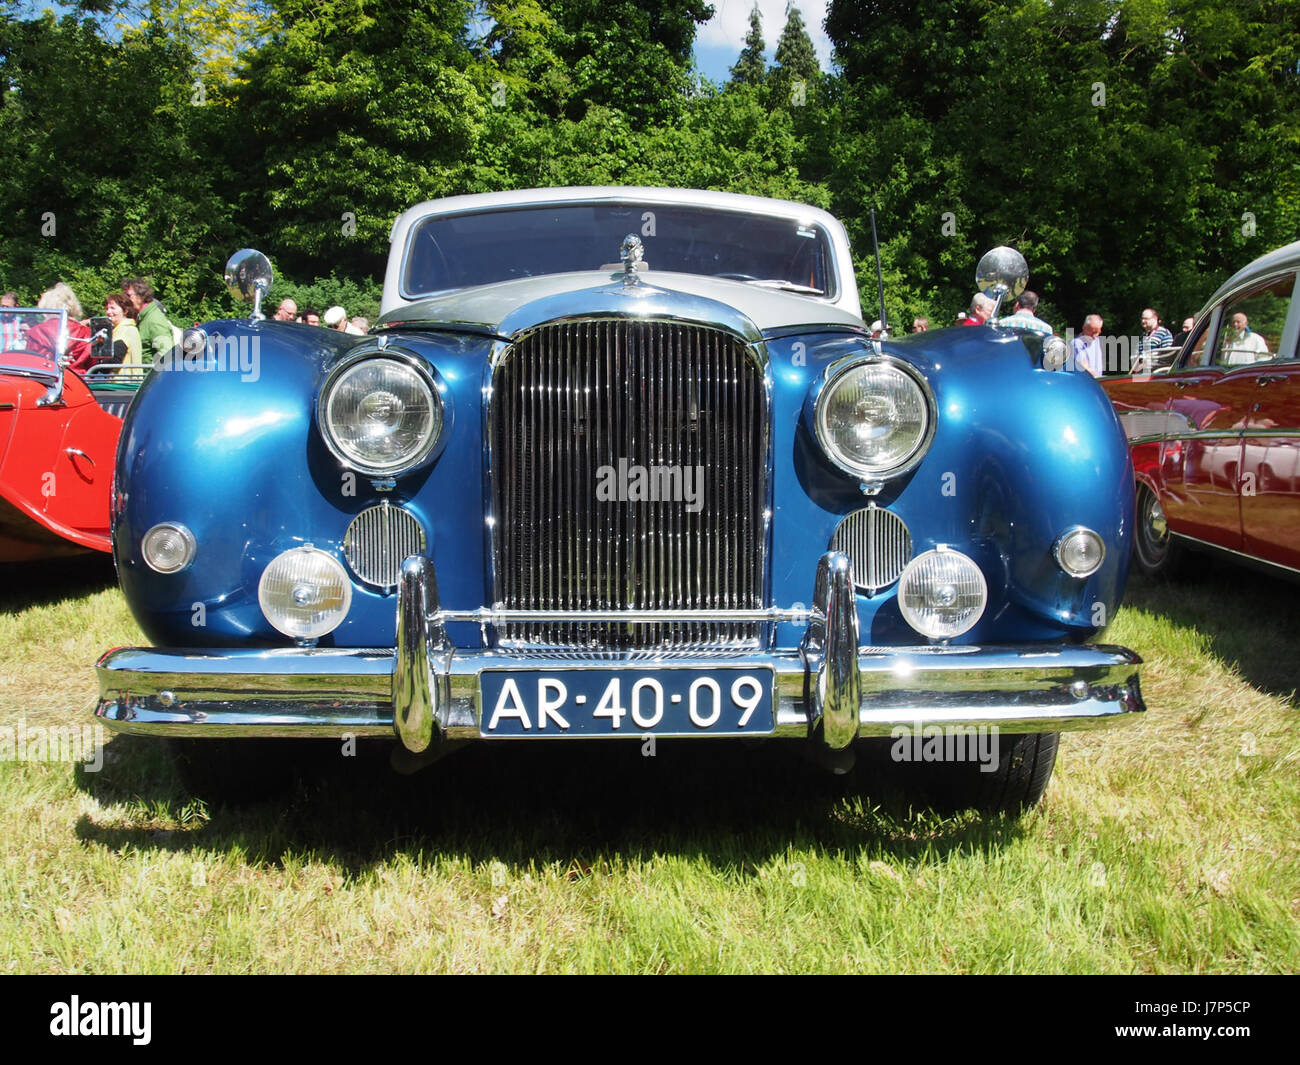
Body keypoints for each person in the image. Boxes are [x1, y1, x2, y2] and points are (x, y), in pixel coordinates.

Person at [24, 283, 91, 363]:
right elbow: (91, 364)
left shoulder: (36, 332)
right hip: (77, 374)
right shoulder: (86, 333)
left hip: (46, 374)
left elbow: (30, 362)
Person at [123, 277, 178, 366]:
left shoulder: (154, 320)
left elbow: (167, 355)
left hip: (149, 377)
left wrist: (151, 375)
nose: (125, 300)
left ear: (141, 295)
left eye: (128, 296)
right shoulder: (141, 317)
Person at [101, 292, 143, 377]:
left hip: (123, 384)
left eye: (113, 308)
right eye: (107, 308)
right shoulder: (121, 329)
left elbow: (114, 359)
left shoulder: (125, 330)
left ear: (125, 310)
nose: (109, 312)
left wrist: (97, 364)